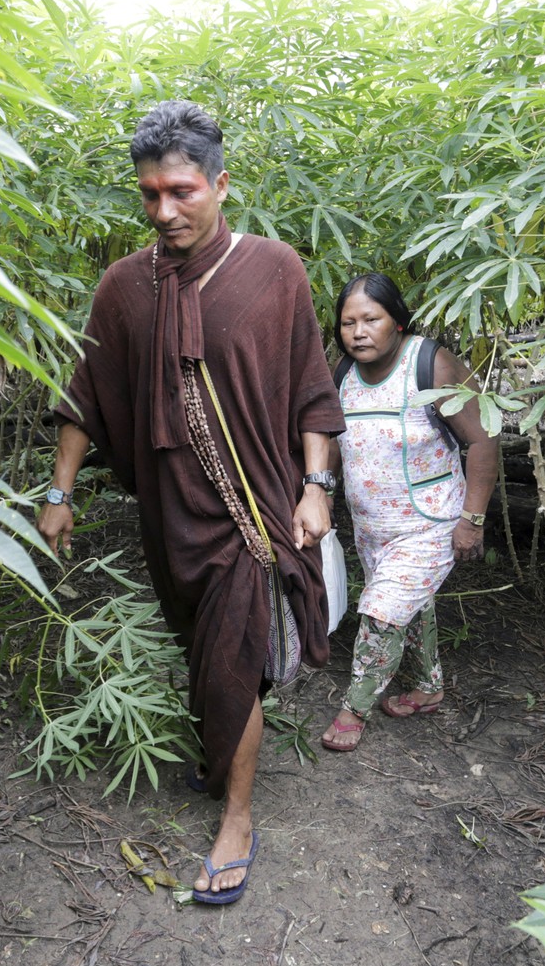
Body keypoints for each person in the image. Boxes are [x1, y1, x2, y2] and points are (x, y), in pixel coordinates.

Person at [36, 101, 344, 904]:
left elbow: (313, 387)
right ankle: (222, 751)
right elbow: (85, 396)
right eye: (149, 195)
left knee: (234, 659)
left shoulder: (275, 270)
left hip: (252, 513)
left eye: (180, 191)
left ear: (219, 183)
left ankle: (237, 817)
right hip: (168, 517)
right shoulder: (123, 288)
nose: (164, 210)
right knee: (204, 653)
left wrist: (317, 488)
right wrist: (59, 492)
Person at [318, 274, 497, 751]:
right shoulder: (342, 374)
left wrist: (471, 520)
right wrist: (326, 496)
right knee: (407, 610)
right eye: (348, 323)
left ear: (396, 321)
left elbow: (482, 441)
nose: (358, 332)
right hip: (372, 526)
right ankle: (429, 687)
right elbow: (335, 440)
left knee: (381, 612)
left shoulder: (431, 366)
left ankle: (352, 710)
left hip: (431, 523)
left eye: (370, 320)